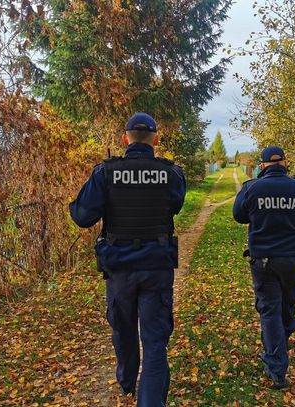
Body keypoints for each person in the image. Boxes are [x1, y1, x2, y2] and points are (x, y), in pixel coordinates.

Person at [69, 112, 186, 406]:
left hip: (120, 269)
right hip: (157, 267)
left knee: (122, 328)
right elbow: (176, 205)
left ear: (125, 139)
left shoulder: (105, 173)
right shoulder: (171, 174)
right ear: (156, 140)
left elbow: (83, 216)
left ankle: (126, 379)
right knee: (155, 339)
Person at [233, 146, 295, 389]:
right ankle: (280, 345)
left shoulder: (252, 188)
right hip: (293, 259)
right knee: (286, 305)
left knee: (270, 309)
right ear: (285, 163)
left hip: (263, 259)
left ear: (262, 166)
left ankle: (276, 366)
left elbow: (239, 215)